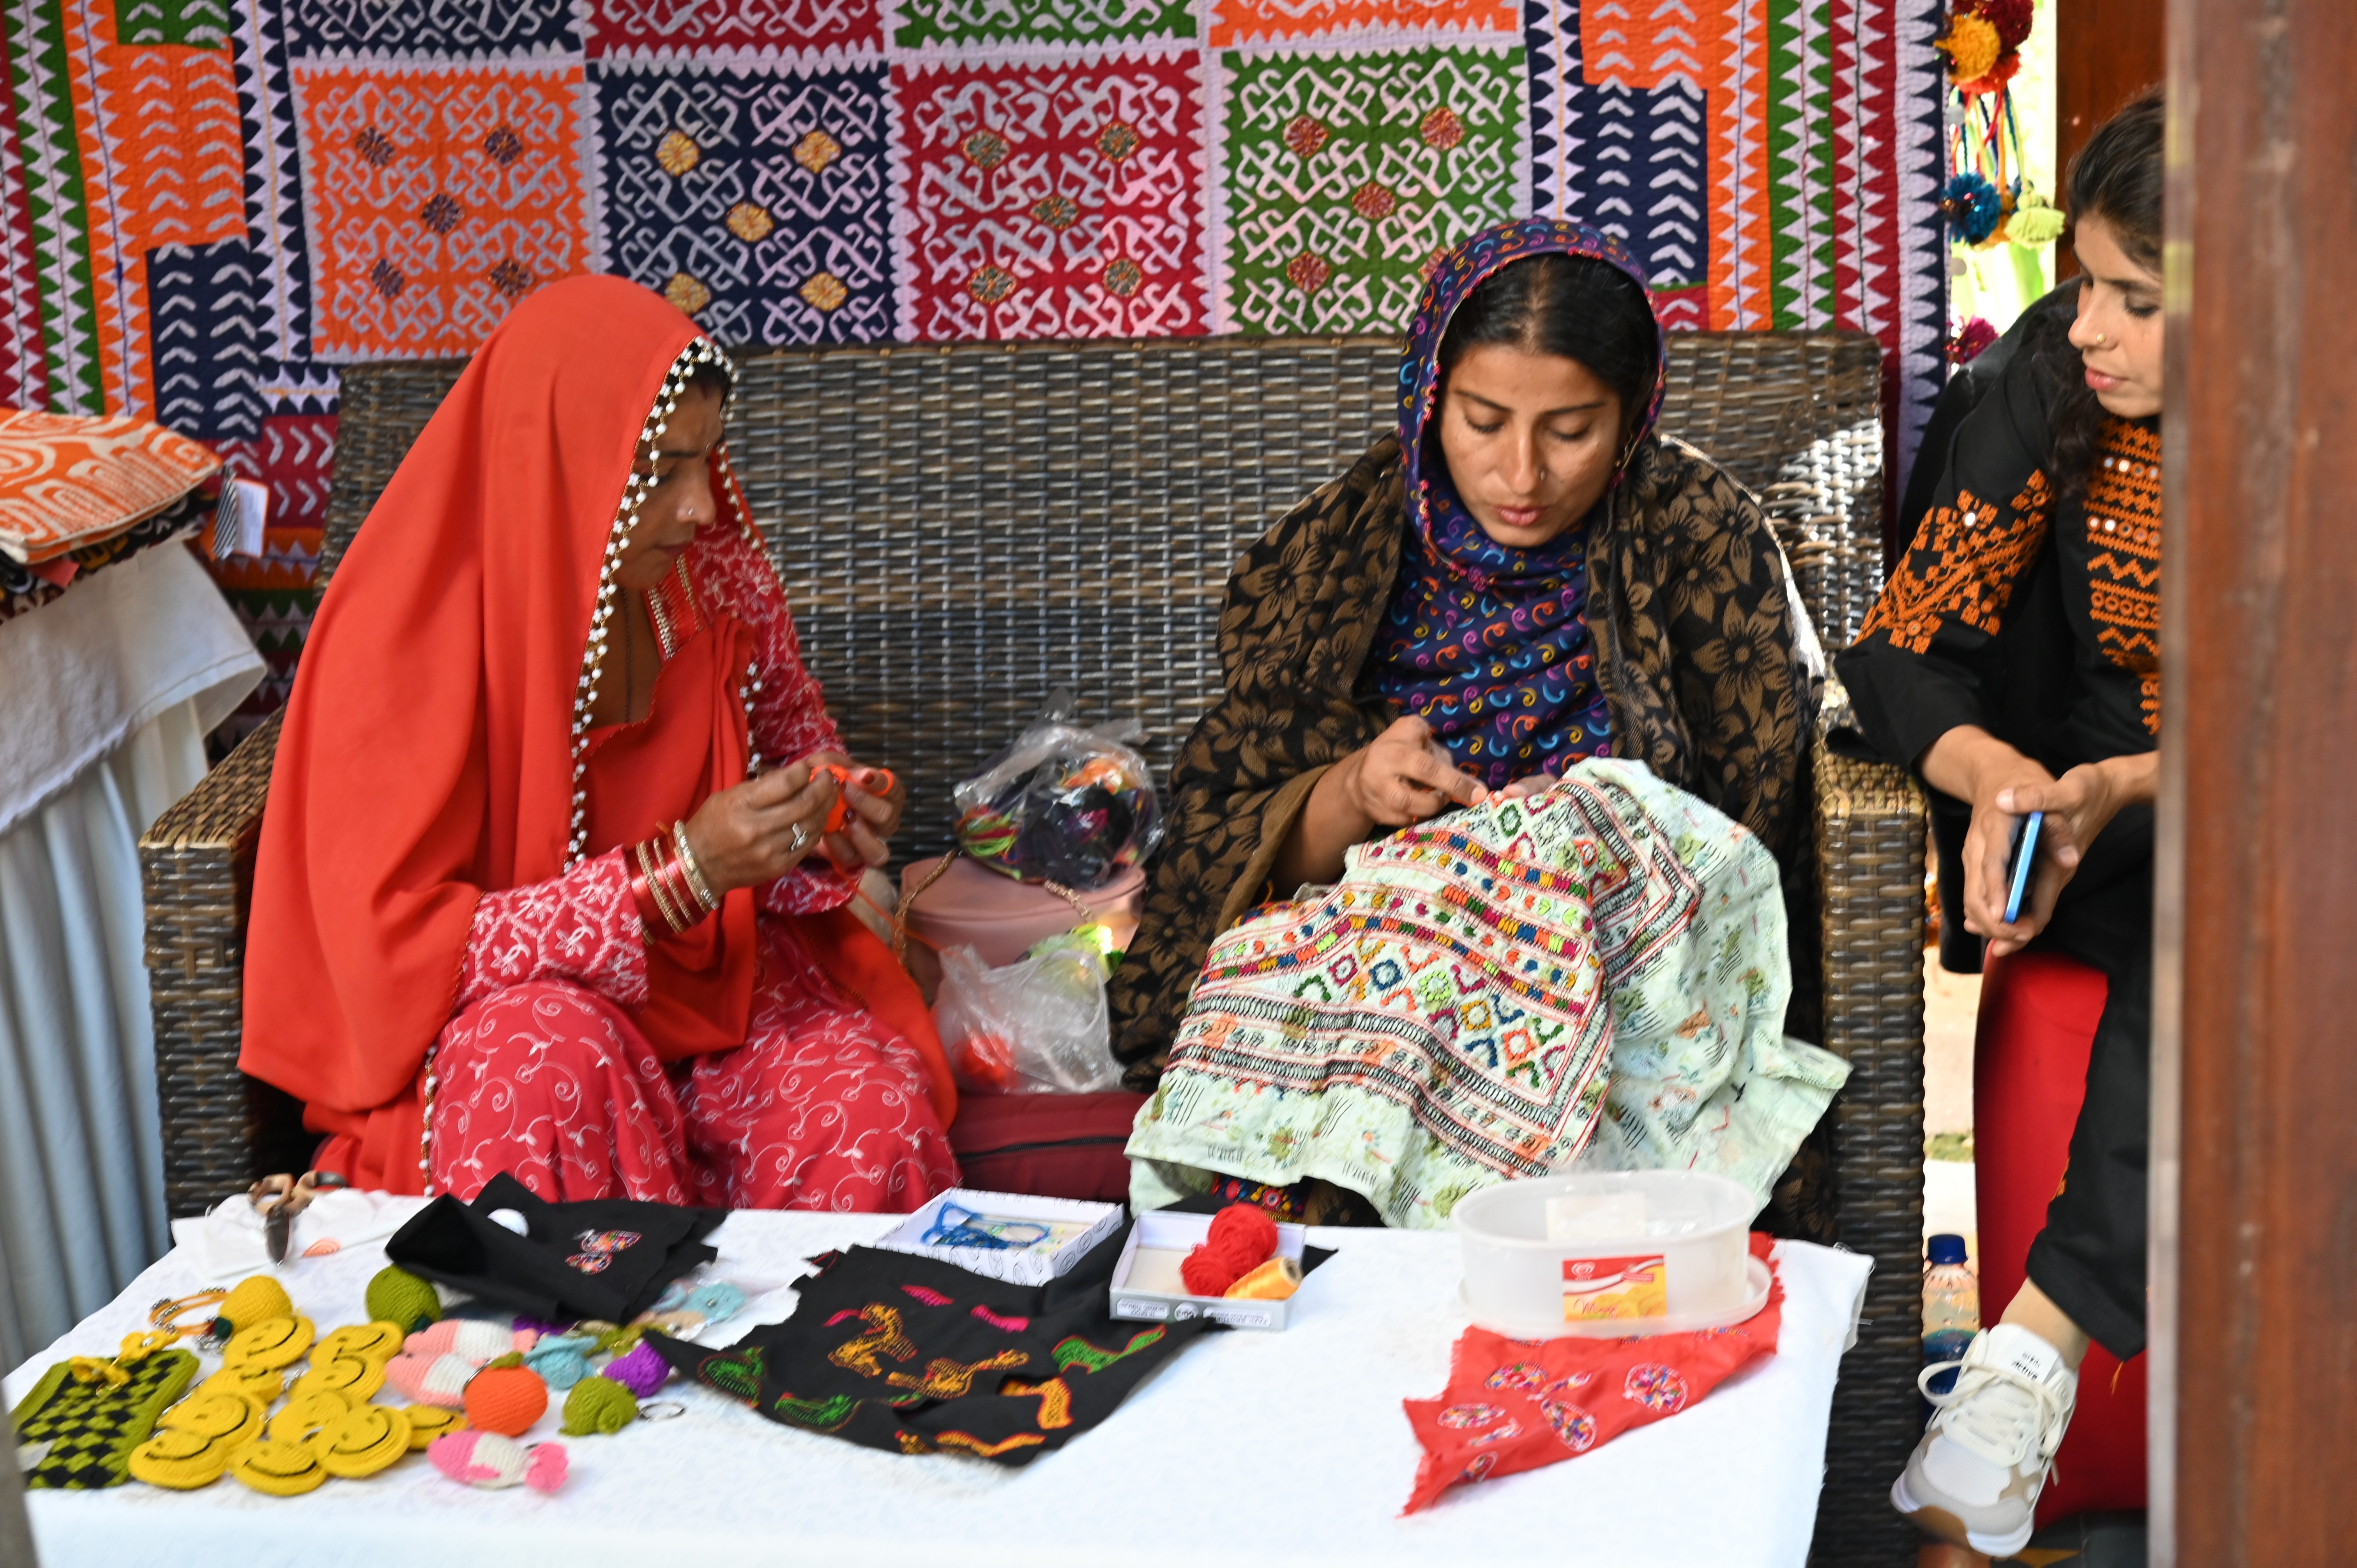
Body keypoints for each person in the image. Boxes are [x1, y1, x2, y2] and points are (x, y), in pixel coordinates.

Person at [1110, 219, 1832, 1224]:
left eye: (1570, 430)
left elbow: (1755, 834)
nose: (1522, 474)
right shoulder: (1339, 555)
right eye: (1484, 421)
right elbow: (1231, 841)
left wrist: (1600, 826)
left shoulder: (1700, 541)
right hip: (1365, 969)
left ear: (1631, 420)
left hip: (1616, 985)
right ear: (1427, 397)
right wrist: (1355, 787)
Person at [239, 275, 959, 1211]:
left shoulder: (717, 573)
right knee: (546, 1076)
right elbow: (393, 957)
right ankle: (594, 1361)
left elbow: (797, 741)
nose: (701, 506)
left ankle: (824, 1356)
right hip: (511, 1013)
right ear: (564, 465)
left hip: (716, 981)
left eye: (707, 459)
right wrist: (678, 871)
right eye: (659, 470)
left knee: (865, 1119)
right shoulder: (401, 633)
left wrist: (829, 806)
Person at [1838, 90, 2164, 1558]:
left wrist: (2134, 787)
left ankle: (2028, 1346)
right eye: (2083, 279)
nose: (2083, 324)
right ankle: (2022, 1374)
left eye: (2134, 300)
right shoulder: (2048, 376)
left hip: (2262, 830)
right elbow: (1907, 644)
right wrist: (1999, 782)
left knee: (2241, 892)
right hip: (2087, 825)